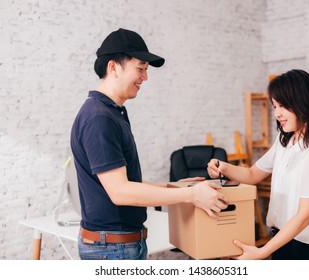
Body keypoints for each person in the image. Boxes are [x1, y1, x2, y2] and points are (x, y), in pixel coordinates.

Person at [70, 28, 228, 260]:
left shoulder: (110, 113)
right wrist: (191, 196)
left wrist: (174, 186)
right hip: (113, 249)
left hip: (118, 246)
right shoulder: (99, 118)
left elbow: (124, 182)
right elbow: (120, 192)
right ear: (113, 67)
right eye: (140, 69)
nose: (145, 77)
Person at [207, 69, 309, 260]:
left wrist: (262, 252)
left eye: (283, 106)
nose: (277, 114)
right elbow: (252, 174)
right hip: (282, 242)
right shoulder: (284, 141)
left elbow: (305, 216)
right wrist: (222, 166)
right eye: (274, 106)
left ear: (303, 103)